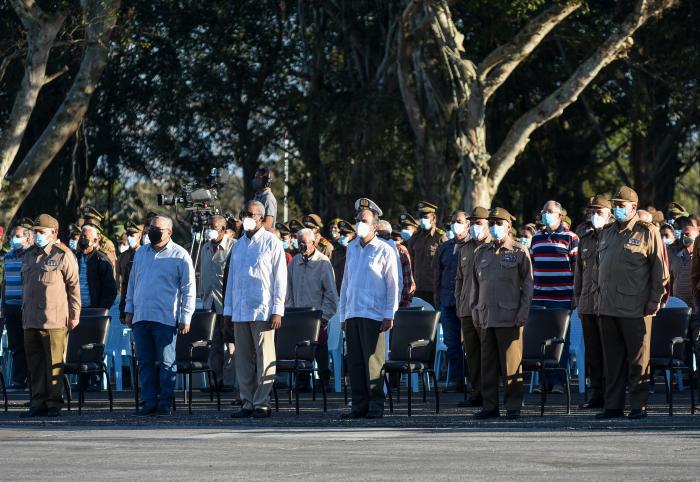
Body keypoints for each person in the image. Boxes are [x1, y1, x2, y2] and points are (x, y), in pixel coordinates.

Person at [595, 186, 668, 420]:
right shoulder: (607, 231)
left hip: (635, 307)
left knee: (638, 360)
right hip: (607, 306)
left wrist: (654, 300)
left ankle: (638, 405)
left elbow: (660, 272)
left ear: (633, 208)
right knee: (612, 361)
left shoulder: (647, 231)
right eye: (614, 205)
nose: (616, 209)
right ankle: (613, 405)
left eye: (620, 205)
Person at [125, 215, 196, 417]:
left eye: (157, 228)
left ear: (169, 232)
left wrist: (186, 317)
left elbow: (189, 289)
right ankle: (149, 401)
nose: (152, 231)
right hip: (141, 316)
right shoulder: (141, 253)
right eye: (150, 228)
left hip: (165, 317)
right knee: (144, 361)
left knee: (166, 362)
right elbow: (132, 283)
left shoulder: (180, 255)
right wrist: (129, 309)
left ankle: (165, 401)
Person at [224, 200, 287, 419]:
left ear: (261, 217)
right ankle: (247, 401)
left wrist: (278, 309)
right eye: (244, 213)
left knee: (264, 357)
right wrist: (228, 311)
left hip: (263, 310)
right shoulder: (239, 245)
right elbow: (231, 280)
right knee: (243, 360)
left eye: (251, 214)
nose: (247, 217)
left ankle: (262, 402)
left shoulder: (271, 243)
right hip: (240, 311)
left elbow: (280, 279)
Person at [470, 207, 533, 420]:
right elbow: (475, 286)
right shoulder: (481, 253)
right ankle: (490, 406)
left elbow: (528, 285)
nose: (495, 227)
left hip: (510, 317)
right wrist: (475, 310)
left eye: (499, 223)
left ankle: (513, 405)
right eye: (492, 223)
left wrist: (523, 312)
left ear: (508, 226)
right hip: (486, 316)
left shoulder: (518, 251)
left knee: (511, 364)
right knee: (486, 365)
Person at [339, 198, 398, 419]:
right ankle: (359, 405)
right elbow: (346, 282)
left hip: (374, 314)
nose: (359, 224)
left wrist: (388, 314)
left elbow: (393, 285)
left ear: (375, 225)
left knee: (374, 363)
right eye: (357, 220)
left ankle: (375, 406)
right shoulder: (352, 248)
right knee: (354, 363)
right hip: (354, 312)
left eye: (363, 220)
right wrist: (343, 314)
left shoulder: (385, 250)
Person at [21, 214, 81, 417]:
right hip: (30, 320)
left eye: (41, 232)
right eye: (35, 232)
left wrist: (75, 314)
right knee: (35, 365)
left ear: (54, 233)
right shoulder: (29, 255)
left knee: (54, 365)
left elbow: (74, 287)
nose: (37, 236)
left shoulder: (63, 255)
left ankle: (54, 403)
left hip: (54, 320)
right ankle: (37, 402)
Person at [286, 228, 338, 389]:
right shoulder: (294, 262)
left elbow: (331, 295)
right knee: (299, 348)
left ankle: (323, 380)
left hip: (317, 317)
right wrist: (289, 312)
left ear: (313, 243)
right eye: (299, 242)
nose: (301, 245)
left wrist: (324, 317)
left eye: (304, 242)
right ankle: (302, 380)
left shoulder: (323, 263)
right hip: (297, 316)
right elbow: (288, 290)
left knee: (320, 346)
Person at [573, 195, 612, 409]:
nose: (594, 215)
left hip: (608, 303)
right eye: (592, 211)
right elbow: (579, 272)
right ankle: (597, 394)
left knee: (610, 352)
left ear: (609, 214)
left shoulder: (614, 237)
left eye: (599, 211)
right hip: (588, 303)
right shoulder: (585, 239)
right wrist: (577, 298)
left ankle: (612, 395)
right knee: (593, 353)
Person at [455, 207, 491, 408]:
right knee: (473, 354)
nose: (476, 227)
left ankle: (489, 394)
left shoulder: (492, 246)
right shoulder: (465, 248)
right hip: (467, 310)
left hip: (487, 310)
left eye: (480, 223)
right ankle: (476, 392)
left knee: (488, 354)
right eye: (473, 223)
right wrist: (460, 304)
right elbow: (459, 280)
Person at [199, 215, 237, 392]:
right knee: (213, 345)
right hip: (210, 303)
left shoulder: (234, 247)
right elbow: (203, 275)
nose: (209, 229)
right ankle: (216, 381)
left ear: (222, 229)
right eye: (208, 226)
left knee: (232, 345)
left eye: (213, 226)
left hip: (228, 304)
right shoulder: (205, 248)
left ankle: (232, 382)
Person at [435, 211, 469, 392]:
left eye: (459, 221)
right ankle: (457, 379)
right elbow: (438, 274)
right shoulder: (445, 247)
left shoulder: (473, 246)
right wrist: (438, 298)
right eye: (453, 222)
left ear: (468, 225)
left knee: (471, 343)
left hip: (466, 303)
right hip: (447, 302)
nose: (456, 224)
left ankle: (472, 380)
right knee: (451, 343)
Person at [1, 223, 34, 390]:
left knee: (28, 343)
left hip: (26, 307)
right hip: (10, 307)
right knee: (15, 345)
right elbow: (5, 283)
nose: (14, 239)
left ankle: (30, 379)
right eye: (13, 235)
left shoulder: (31, 256)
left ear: (28, 238)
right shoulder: (7, 257)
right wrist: (3, 304)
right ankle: (19, 380)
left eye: (18, 235)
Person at [406, 201, 443, 305]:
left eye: (426, 217)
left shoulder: (440, 237)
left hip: (434, 289)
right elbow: (410, 263)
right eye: (420, 216)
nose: (422, 220)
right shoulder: (415, 237)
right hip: (417, 289)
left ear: (434, 218)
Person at [669, 216, 699, 348]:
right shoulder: (676, 257)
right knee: (681, 349)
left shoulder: (698, 258)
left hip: (696, 311)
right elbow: (671, 280)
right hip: (679, 311)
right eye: (682, 234)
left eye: (687, 234)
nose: (684, 237)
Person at [76, 224, 118, 310]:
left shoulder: (102, 260)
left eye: (85, 237)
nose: (82, 239)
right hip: (76, 310)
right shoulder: (74, 258)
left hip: (94, 311)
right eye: (81, 237)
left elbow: (111, 289)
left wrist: (101, 309)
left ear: (95, 240)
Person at [117, 222, 143, 322]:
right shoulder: (122, 257)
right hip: (128, 306)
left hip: (143, 306)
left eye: (132, 235)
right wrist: (122, 310)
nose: (129, 238)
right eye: (128, 235)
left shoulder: (146, 255)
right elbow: (122, 285)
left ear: (139, 236)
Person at [331, 220, 355, 294]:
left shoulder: (358, 251)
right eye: (341, 234)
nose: (342, 237)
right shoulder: (337, 249)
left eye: (345, 235)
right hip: (338, 290)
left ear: (354, 235)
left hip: (353, 291)